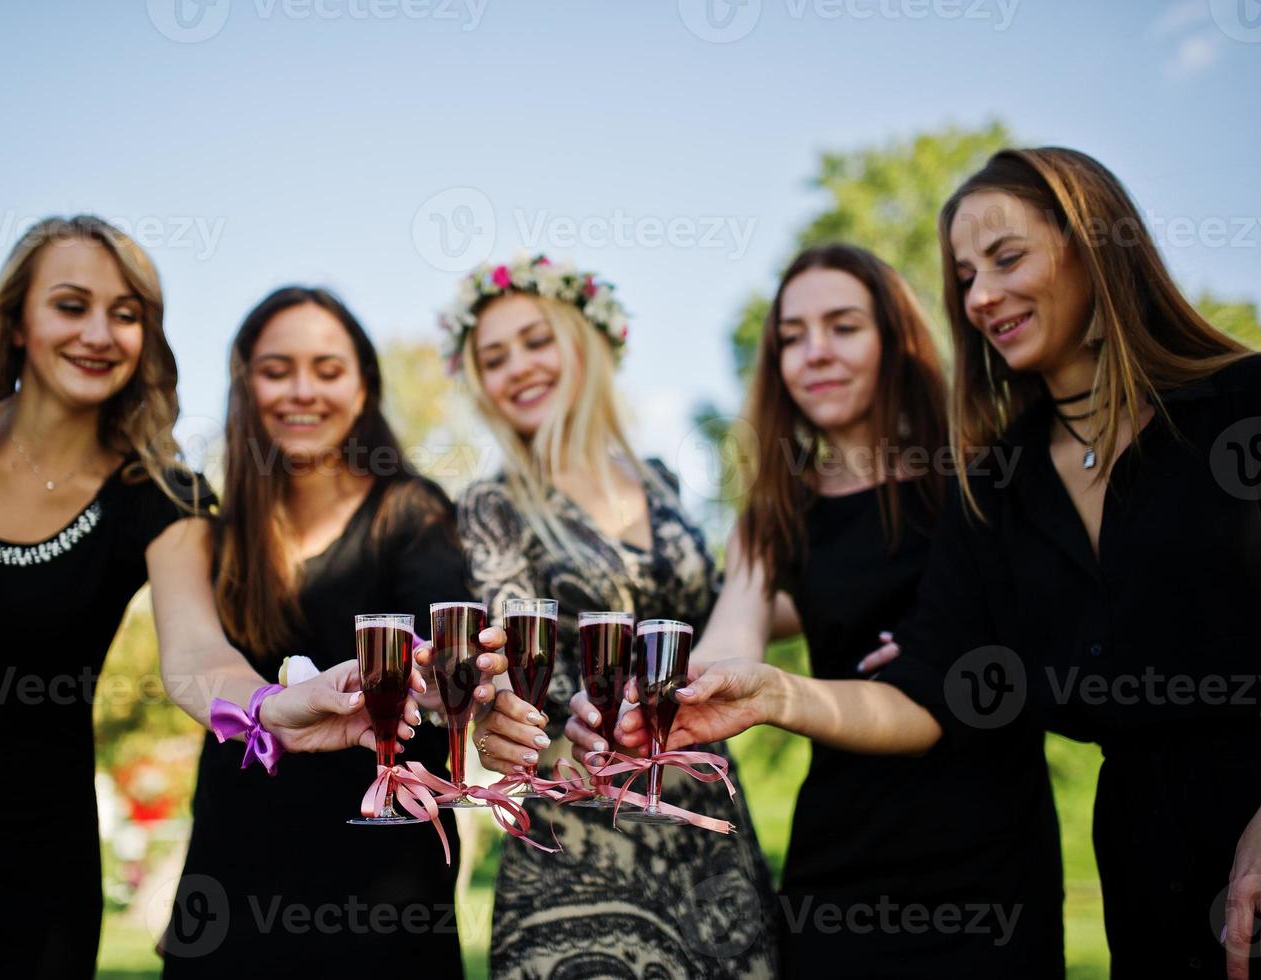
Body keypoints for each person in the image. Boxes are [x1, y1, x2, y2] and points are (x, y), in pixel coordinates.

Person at [613, 148, 1261, 979]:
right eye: (965, 276)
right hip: (1113, 847)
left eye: (1007, 258)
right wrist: (719, 697)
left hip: (1008, 847)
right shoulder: (1000, 482)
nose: (982, 294)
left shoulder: (1228, 409)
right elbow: (902, 687)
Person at [0, 219, 397, 979]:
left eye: (126, 313)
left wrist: (274, 705)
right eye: (71, 305)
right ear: (16, 323)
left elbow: (196, 655)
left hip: (35, 872)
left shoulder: (160, 497)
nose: (99, 334)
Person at [570, 243, 1064, 978]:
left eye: (842, 326)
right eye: (792, 338)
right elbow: (731, 648)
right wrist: (637, 702)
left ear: (896, 340)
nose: (815, 354)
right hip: (842, 851)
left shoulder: (979, 477)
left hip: (984, 848)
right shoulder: (775, 515)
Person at [445, 253, 780, 978]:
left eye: (536, 341)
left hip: (705, 827)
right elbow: (507, 663)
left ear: (585, 344)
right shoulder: (492, 505)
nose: (517, 368)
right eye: (492, 358)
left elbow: (729, 609)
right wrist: (515, 723)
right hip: (582, 832)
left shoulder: (656, 477)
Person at [161, 286, 481, 976]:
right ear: (245, 384)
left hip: (382, 873)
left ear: (364, 387)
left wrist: (450, 682)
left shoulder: (409, 512)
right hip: (233, 865)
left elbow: (438, 650)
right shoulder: (213, 533)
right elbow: (198, 674)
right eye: (276, 370)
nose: (302, 391)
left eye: (328, 370)